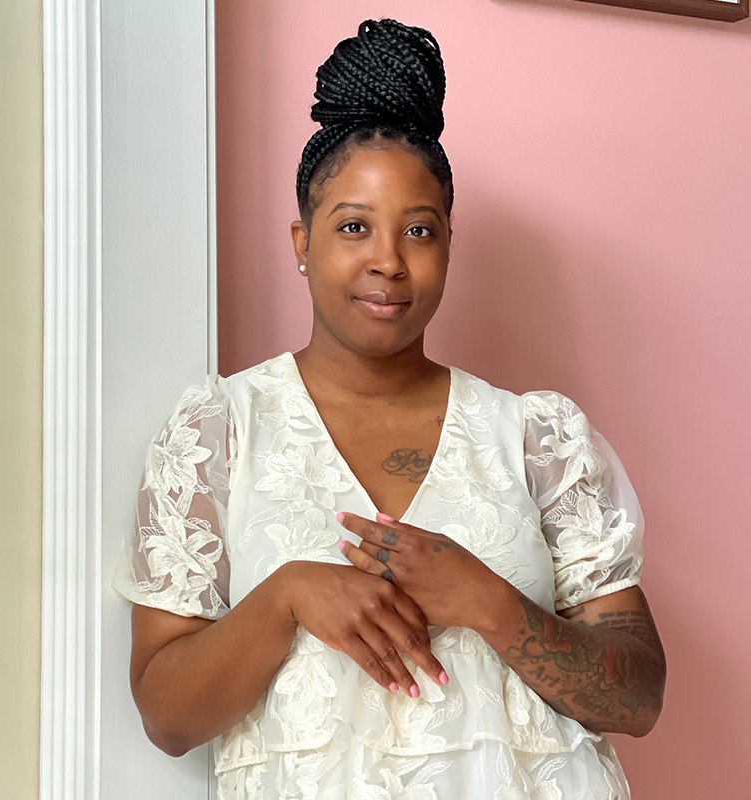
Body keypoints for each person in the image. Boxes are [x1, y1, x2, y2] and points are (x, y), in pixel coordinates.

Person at [113, 18, 666, 800]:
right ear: (301, 242)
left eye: (419, 230)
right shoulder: (221, 431)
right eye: (352, 227)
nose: (387, 260)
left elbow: (638, 698)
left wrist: (487, 600)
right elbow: (166, 716)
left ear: (448, 245)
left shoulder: (536, 437)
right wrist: (288, 596)